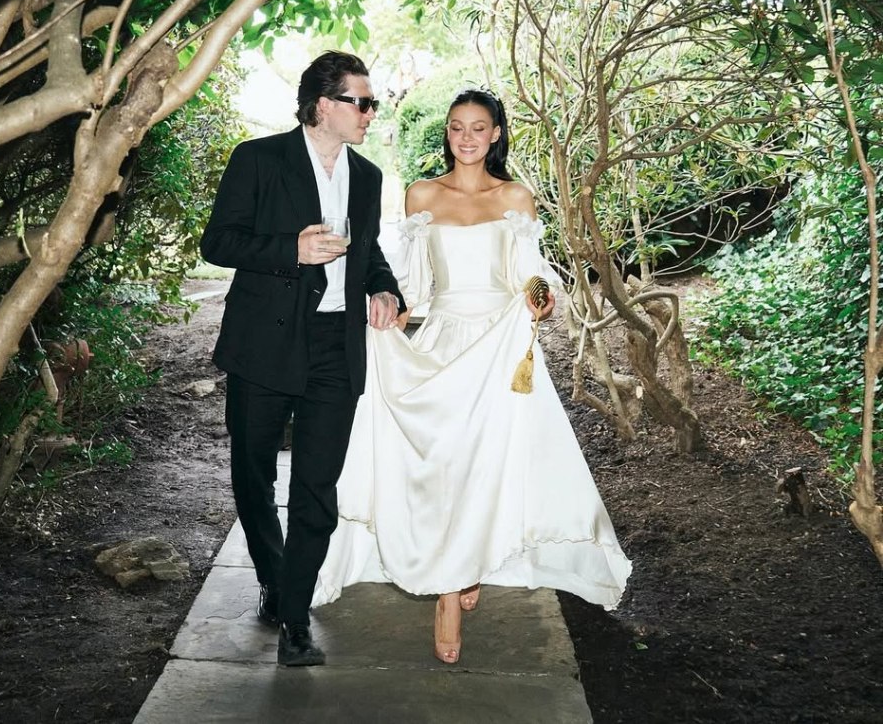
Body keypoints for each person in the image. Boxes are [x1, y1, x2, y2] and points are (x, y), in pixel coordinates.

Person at [312, 89, 632, 664]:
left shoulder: (515, 198)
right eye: (457, 127)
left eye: (479, 128)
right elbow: (412, 283)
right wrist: (391, 310)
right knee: (443, 466)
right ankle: (452, 578)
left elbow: (530, 279)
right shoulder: (421, 194)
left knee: (486, 466)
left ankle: (456, 583)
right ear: (448, 134)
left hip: (499, 348)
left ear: (497, 134)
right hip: (443, 343)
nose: (466, 137)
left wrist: (540, 299)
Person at [200, 51, 404, 667]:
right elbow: (218, 242)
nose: (370, 113)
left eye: (372, 103)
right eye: (361, 102)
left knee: (317, 486)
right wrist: (291, 248)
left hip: (334, 349)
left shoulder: (367, 177)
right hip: (263, 342)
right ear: (324, 105)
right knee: (254, 472)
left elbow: (366, 254)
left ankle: (295, 615)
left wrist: (385, 287)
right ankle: (272, 572)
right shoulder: (258, 159)